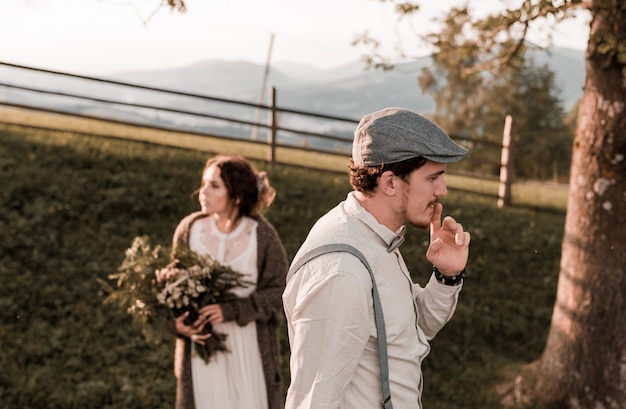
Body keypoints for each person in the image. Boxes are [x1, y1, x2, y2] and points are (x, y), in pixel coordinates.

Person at [282, 107, 471, 409]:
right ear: (390, 183)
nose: (443, 190)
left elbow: (409, 331)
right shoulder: (342, 272)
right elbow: (314, 400)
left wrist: (446, 276)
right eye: (433, 178)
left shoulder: (377, 238)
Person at [170, 154, 288, 409]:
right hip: (201, 353)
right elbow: (174, 288)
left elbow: (280, 291)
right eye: (204, 184)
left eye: (214, 185)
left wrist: (232, 311)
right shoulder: (189, 229)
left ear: (235, 195)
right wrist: (176, 324)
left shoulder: (262, 236)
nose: (203, 192)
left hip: (248, 353)